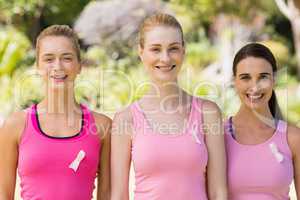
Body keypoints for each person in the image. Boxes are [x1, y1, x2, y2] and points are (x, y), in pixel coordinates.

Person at [111, 13, 227, 200]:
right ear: (141, 52)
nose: (165, 58)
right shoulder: (126, 119)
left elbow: (218, 192)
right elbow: (118, 195)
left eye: (173, 49)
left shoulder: (208, 113)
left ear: (183, 51)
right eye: (155, 49)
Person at [0, 25, 111, 200]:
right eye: (49, 59)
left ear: (79, 65)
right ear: (38, 66)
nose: (57, 66)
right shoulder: (15, 125)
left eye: (67, 58)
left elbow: (107, 195)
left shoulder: (102, 127)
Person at [225, 42, 300, 200]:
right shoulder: (217, 136)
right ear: (234, 82)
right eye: (245, 77)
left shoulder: (293, 138)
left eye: (263, 77)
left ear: (275, 79)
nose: (255, 87)